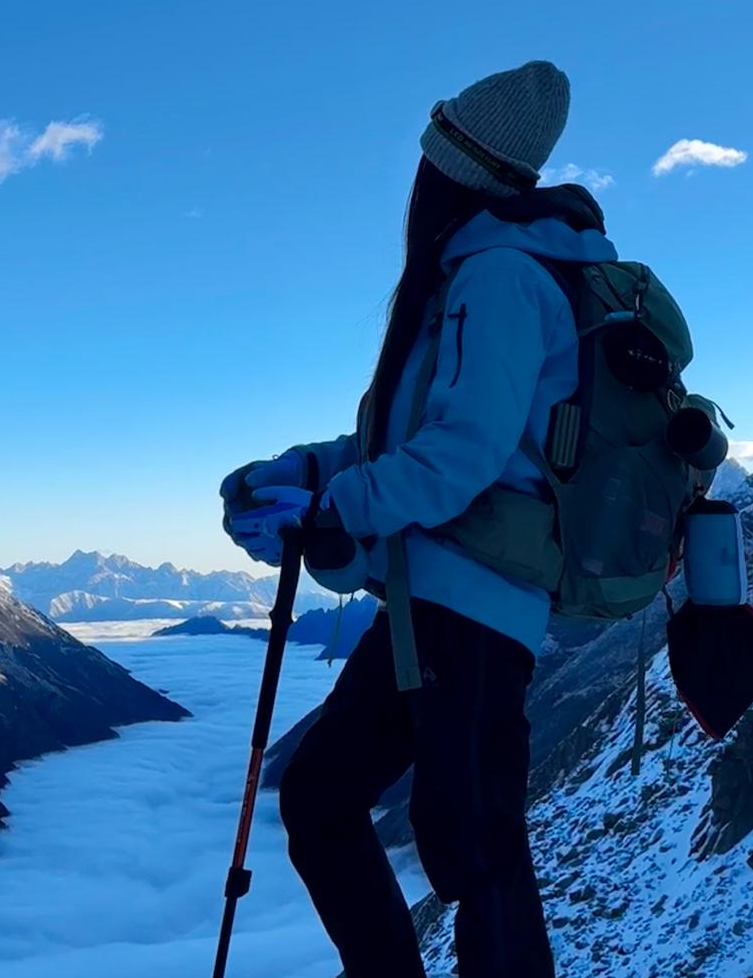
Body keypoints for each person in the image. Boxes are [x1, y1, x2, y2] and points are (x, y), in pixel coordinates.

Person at [221, 60, 617, 978]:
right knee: (344, 802)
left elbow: (467, 455)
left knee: (472, 847)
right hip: (435, 602)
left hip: (472, 607)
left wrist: (334, 508)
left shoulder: (500, 276)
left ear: (449, 171)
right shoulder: (479, 274)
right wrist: (307, 473)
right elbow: (428, 439)